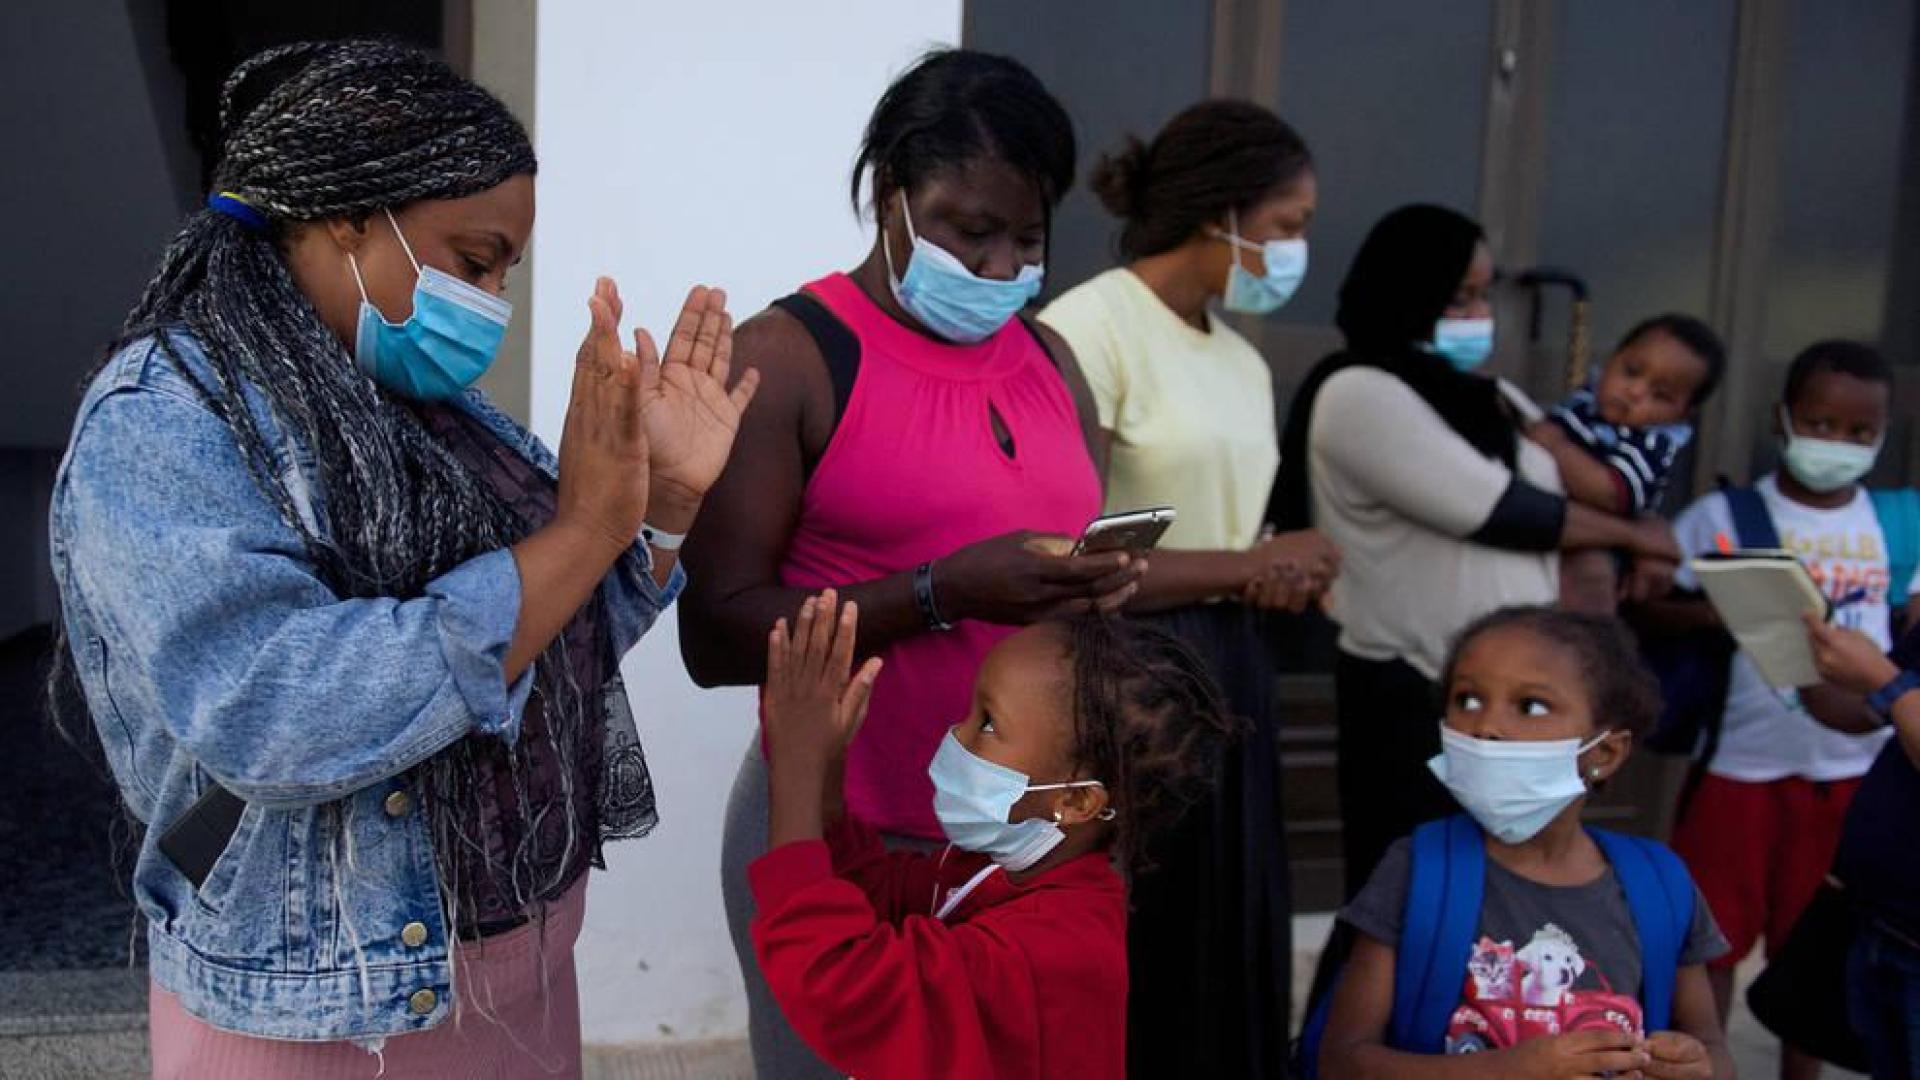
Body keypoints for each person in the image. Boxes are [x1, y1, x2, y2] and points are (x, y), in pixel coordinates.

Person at [46, 41, 757, 1077]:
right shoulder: (164, 420)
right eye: (475, 260)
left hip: (520, 977)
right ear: (346, 219)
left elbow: (547, 634)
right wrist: (583, 529)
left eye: (506, 268)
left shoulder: (425, 406)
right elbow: (275, 712)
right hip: (321, 1016)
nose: (495, 296)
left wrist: (663, 508)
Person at [676, 49, 1142, 1078]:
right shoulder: (790, 356)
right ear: (890, 199)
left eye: (1027, 240)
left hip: (1019, 838)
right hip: (841, 821)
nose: (997, 268)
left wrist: (1090, 588)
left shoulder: (1051, 361)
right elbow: (714, 636)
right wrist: (942, 592)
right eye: (967, 231)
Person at [1038, 99, 1338, 1079]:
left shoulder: (1244, 361)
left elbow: (1230, 528)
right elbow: (1076, 550)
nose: (1296, 252)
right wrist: (1256, 562)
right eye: (1287, 227)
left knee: (1231, 921)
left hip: (1232, 666)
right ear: (1223, 212)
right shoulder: (1089, 328)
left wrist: (1284, 568)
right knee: (1148, 936)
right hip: (1130, 676)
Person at [1272, 204, 1681, 899]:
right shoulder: (1358, 390)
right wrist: (1639, 537)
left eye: (1483, 295)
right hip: (1410, 691)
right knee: (1407, 899)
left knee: (1499, 903)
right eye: (1458, 295)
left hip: (1520, 697)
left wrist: (1631, 542)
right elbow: (1497, 509)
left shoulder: (1494, 398)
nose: (1476, 313)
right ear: (1409, 288)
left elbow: (1576, 490)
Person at [748, 591, 1236, 1079]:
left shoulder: (1055, 949)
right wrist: (825, 776)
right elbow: (872, 891)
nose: (957, 735)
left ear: (1074, 802)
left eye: (987, 723)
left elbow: (841, 985)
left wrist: (797, 764)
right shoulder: (1000, 873)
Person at [1319, 607, 1733, 1078]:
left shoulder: (1660, 884)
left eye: (1530, 706)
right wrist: (1507, 1071)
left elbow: (1712, 1045)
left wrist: (1694, 1066)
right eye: (1468, 699)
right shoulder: (1418, 870)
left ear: (1605, 752)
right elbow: (1342, 1061)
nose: (1486, 726)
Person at [1651, 340, 1908, 1080]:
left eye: (1860, 433)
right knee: (1713, 939)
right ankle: (1708, 1063)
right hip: (1741, 763)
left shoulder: (1900, 523)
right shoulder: (1726, 516)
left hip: (1855, 773)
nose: (1839, 444)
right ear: (1784, 419)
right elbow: (1657, 600)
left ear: (1883, 433)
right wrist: (1720, 611)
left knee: (1817, 950)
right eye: (1821, 423)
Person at [1527, 315, 1727, 611]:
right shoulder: (1584, 403)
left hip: (1595, 543)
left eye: (1660, 395)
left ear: (1683, 413)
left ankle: (1590, 648)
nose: (1635, 392)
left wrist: (1554, 446)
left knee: (1589, 579)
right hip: (1542, 524)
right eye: (1631, 371)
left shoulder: (1651, 443)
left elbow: (1612, 493)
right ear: (1611, 359)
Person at [1803, 611, 1920, 1079]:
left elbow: (1890, 692)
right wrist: (1802, 656)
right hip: (1879, 922)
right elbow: (1863, 711)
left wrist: (1883, 679)